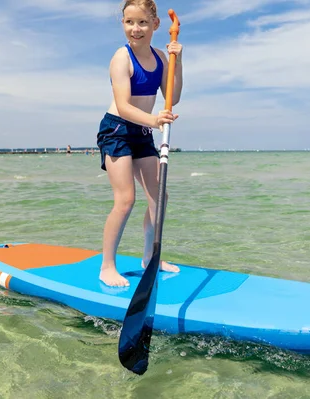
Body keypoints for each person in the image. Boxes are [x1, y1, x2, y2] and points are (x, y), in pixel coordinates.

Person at [97, 0, 183, 287]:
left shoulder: (160, 57)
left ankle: (149, 259)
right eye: (129, 22)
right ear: (123, 23)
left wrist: (176, 61)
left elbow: (174, 95)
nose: (135, 29)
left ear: (155, 25)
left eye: (142, 22)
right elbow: (122, 106)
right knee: (125, 200)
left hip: (143, 131)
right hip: (117, 130)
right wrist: (155, 121)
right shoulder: (120, 58)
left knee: (161, 198)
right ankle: (107, 266)